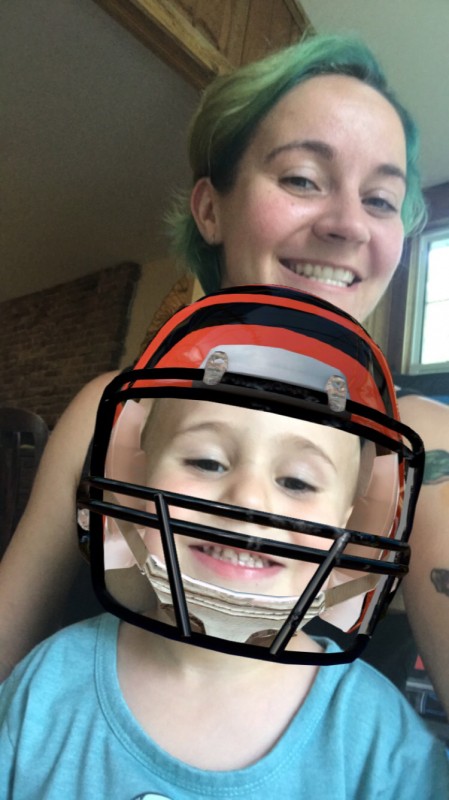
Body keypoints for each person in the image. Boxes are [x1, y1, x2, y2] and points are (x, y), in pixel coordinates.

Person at [0, 32, 447, 723]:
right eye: (302, 179)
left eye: (381, 200)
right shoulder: (111, 410)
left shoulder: (422, 443)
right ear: (210, 209)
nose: (347, 225)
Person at [1, 285, 448, 799]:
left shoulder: (378, 745)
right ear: (136, 480)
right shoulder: (46, 689)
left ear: (351, 522)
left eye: (298, 481)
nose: (248, 501)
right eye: (206, 461)